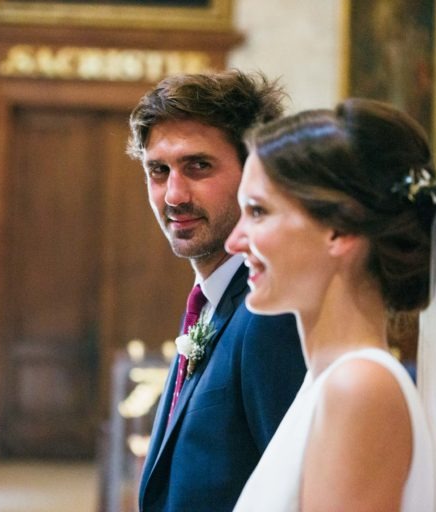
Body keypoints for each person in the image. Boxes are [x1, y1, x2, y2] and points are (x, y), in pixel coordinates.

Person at [226, 98, 436, 511]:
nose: (235, 241)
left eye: (258, 212)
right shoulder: (328, 382)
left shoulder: (358, 388)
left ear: (338, 230)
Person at [126, 70, 307, 512]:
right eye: (158, 170)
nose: (173, 194)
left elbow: (295, 492)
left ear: (255, 173)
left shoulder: (269, 316)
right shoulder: (214, 301)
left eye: (198, 166)